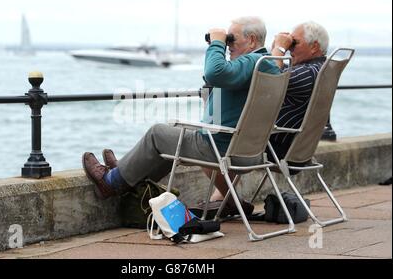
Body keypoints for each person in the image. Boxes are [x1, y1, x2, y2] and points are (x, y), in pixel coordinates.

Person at [82, 16, 280, 217]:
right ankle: (129, 177)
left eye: (231, 39)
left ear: (253, 40)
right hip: (250, 152)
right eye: (226, 41)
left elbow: (214, 72)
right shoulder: (269, 65)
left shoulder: (251, 62)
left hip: (220, 147)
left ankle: (110, 182)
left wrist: (217, 43)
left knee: (157, 133)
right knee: (173, 137)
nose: (228, 45)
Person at [203, 21, 330, 210]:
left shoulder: (306, 73)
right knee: (237, 130)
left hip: (276, 148)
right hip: (299, 148)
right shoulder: (322, 70)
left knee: (211, 143)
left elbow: (271, 75)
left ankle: (229, 202)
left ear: (314, 47)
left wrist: (278, 47)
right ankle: (221, 200)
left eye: (294, 44)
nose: (290, 49)